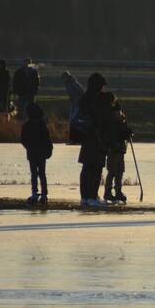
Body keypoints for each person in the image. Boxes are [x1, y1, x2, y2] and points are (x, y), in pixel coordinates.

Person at [77, 72, 109, 207]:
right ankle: (92, 196)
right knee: (96, 167)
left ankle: (85, 196)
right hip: (97, 138)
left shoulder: (84, 98)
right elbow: (102, 118)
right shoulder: (98, 100)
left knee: (87, 167)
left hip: (86, 138)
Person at [100, 93, 133, 204]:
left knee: (119, 171)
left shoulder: (121, 119)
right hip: (113, 149)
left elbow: (123, 132)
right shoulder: (111, 120)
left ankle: (118, 191)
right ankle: (108, 192)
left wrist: (128, 133)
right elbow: (111, 135)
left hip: (119, 149)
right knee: (113, 171)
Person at [20, 103, 53, 206]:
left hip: (32, 153)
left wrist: (28, 147)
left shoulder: (27, 125)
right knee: (42, 173)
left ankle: (35, 193)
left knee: (34, 173)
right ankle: (44, 194)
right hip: (41, 153)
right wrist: (49, 148)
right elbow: (47, 139)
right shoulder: (41, 124)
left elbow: (23, 139)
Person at [61, 71, 85, 144]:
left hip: (77, 104)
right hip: (74, 104)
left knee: (74, 121)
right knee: (72, 121)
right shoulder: (68, 84)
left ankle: (76, 139)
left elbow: (81, 92)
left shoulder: (73, 83)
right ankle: (75, 139)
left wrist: (77, 99)